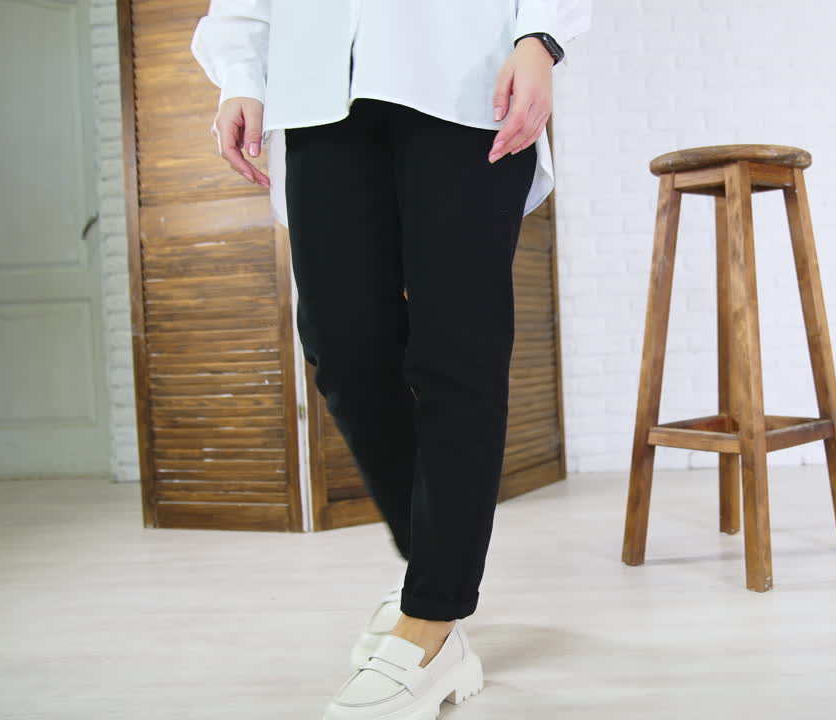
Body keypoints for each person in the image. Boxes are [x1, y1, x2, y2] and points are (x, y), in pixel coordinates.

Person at [190, 2, 590, 718]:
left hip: (464, 79)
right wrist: (239, 76)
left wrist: (541, 36)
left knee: (455, 350)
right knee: (341, 348)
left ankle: (433, 617)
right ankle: (439, 569)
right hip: (316, 86)